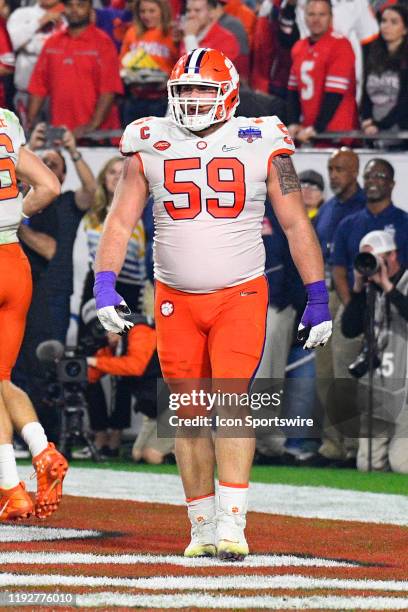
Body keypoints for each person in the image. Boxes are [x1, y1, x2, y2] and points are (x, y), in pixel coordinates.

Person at [93, 48, 332, 561]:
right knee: (189, 414)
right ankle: (201, 527)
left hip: (240, 292)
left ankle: (233, 524)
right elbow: (118, 221)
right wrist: (105, 282)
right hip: (175, 297)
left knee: (232, 402)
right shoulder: (149, 140)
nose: (193, 99)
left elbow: (295, 223)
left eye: (203, 89)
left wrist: (318, 294)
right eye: (185, 90)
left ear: (227, 91)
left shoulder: (262, 137)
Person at [0, 108, 68, 522]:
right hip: (14, 260)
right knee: (1, 379)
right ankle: (36, 456)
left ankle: (12, 484)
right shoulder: (5, 119)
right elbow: (49, 185)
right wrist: (16, 214)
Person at [312, 148, 366, 462]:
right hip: (323, 293)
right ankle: (331, 444)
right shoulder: (328, 209)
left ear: (355, 169)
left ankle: (353, 445)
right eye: (331, 168)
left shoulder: (365, 207)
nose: (334, 175)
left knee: (347, 374)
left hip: (350, 295)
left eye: (340, 169)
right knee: (325, 373)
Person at [342, 230, 408, 473]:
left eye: (377, 259)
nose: (373, 266)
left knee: (402, 465)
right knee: (367, 465)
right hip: (377, 389)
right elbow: (348, 329)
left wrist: (389, 287)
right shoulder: (369, 291)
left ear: (393, 255)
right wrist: (359, 288)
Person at [28, 123, 96, 342]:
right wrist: (28, 148)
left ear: (63, 176)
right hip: (20, 287)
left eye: (54, 164)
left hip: (54, 290)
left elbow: (91, 190)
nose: (47, 166)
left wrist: (73, 151)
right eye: (43, 163)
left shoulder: (67, 202)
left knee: (49, 356)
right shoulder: (20, 199)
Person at [84, 305, 173, 462]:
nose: (106, 332)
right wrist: (80, 365)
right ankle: (182, 444)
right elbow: (93, 376)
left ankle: (201, 445)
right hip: (158, 406)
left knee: (152, 456)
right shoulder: (113, 346)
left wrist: (95, 361)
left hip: (179, 397)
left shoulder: (139, 330)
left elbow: (135, 366)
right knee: (137, 455)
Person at [27, 0, 123, 139]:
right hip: (59, 133)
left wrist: (91, 126)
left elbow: (109, 91)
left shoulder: (103, 43)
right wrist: (31, 123)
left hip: (96, 136)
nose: (74, 10)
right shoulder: (52, 42)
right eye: (70, 5)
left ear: (90, 8)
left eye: (80, 5)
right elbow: (38, 87)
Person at [287, 0, 358, 145]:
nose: (316, 19)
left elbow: (334, 94)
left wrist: (316, 128)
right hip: (309, 130)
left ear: (331, 17)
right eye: (311, 14)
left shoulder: (341, 45)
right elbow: (293, 91)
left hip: (337, 131)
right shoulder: (299, 47)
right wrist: (294, 122)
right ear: (304, 17)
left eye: (322, 14)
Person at [7, 0, 64, 129]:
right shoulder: (21, 14)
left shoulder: (68, 16)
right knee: (26, 137)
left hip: (58, 95)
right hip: (25, 92)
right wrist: (39, 22)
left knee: (57, 139)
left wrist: (30, 45)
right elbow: (10, 43)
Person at [119, 0, 178, 125]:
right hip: (135, 99)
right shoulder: (132, 32)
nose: (146, 16)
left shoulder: (173, 34)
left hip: (163, 101)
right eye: (143, 11)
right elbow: (122, 62)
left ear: (163, 11)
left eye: (152, 11)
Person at [361, 5, 408, 141]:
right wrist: (367, 119)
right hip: (374, 132)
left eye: (394, 22)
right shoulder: (373, 55)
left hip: (401, 134)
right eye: (383, 21)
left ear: (405, 29)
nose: (386, 26)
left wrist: (380, 125)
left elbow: (405, 103)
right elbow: (366, 95)